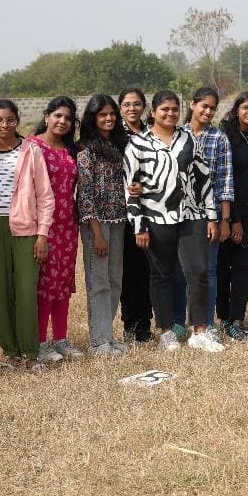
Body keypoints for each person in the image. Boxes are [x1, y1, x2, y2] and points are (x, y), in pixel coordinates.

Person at [126, 90, 224, 353]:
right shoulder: (138, 143)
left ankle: (200, 331)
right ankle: (167, 331)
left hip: (191, 215)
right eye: (164, 109)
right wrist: (139, 226)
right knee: (161, 275)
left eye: (174, 110)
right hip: (156, 217)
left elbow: (204, 179)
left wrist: (212, 216)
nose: (170, 114)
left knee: (200, 271)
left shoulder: (188, 138)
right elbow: (131, 189)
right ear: (153, 112)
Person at [0, 99, 55, 369]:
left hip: (26, 229)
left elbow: (45, 196)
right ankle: (10, 353)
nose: (4, 125)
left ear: (17, 121)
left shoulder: (31, 151)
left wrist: (42, 234)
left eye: (10, 119)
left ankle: (30, 353)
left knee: (25, 291)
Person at [25, 96, 82, 363]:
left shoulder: (71, 150)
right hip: (41, 226)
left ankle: (60, 338)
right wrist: (39, 231)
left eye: (68, 118)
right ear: (47, 116)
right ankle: (39, 342)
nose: (62, 121)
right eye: (58, 115)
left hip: (67, 225)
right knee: (44, 283)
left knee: (62, 283)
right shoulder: (32, 146)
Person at [176, 88, 234, 340]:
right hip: (179, 214)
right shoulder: (177, 135)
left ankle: (205, 323)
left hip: (210, 213)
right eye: (204, 106)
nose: (208, 111)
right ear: (193, 104)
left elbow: (225, 181)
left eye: (213, 108)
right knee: (180, 270)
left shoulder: (219, 138)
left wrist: (224, 219)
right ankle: (179, 322)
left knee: (208, 270)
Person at [76, 94, 130, 357]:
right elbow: (84, 196)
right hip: (96, 224)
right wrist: (96, 234)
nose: (108, 118)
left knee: (114, 280)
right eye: (102, 114)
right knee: (98, 282)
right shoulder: (86, 150)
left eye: (112, 114)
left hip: (120, 220)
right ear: (93, 118)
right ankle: (98, 342)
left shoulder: (120, 144)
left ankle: (106, 336)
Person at [217, 92, 248, 341]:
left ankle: (237, 318)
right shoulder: (224, 135)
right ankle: (223, 318)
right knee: (223, 266)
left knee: (242, 267)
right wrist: (232, 219)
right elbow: (224, 180)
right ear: (236, 109)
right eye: (245, 107)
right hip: (228, 212)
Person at [116, 88, 153, 345]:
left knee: (150, 270)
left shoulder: (153, 135)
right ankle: (131, 325)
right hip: (124, 212)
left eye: (137, 104)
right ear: (121, 108)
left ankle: (146, 324)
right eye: (127, 104)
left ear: (144, 107)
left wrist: (146, 186)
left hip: (152, 210)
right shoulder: (115, 136)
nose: (132, 108)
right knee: (129, 272)